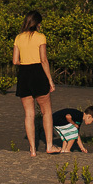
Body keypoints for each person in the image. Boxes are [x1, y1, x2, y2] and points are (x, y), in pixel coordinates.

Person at [13, 10, 59, 155]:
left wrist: (26, 63)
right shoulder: (40, 37)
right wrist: (50, 80)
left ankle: (32, 149)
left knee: (29, 114)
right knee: (46, 111)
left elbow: (15, 61)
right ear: (37, 23)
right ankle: (49, 146)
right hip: (38, 72)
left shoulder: (18, 37)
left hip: (24, 74)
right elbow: (44, 59)